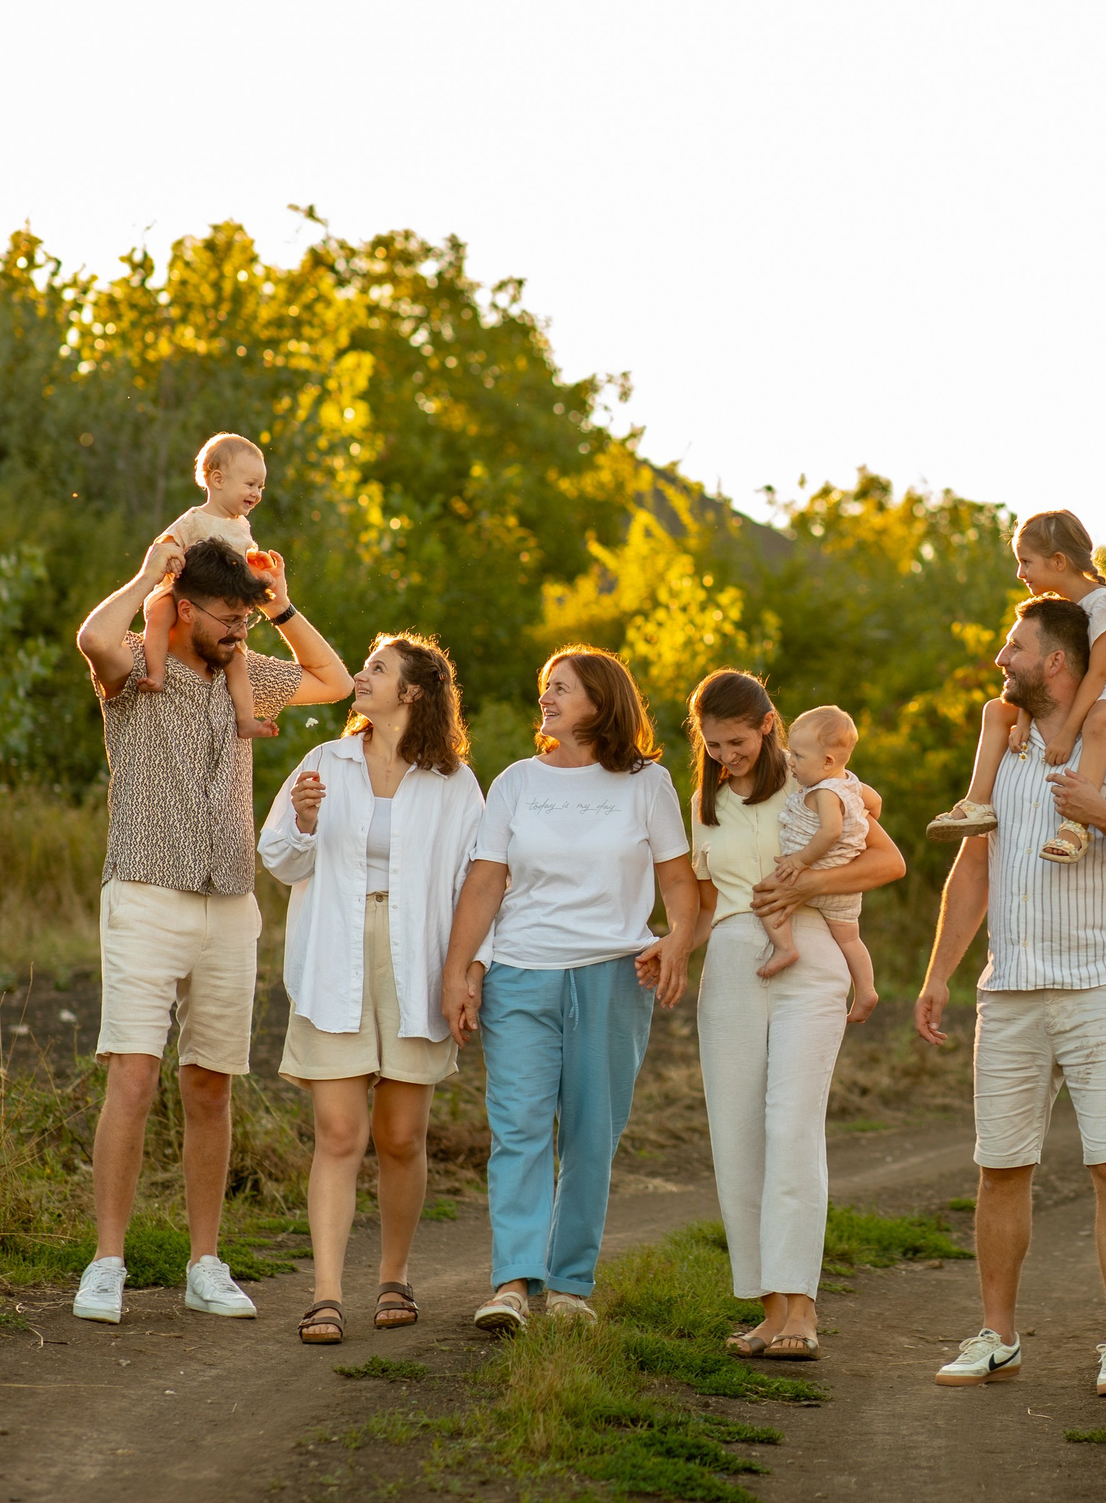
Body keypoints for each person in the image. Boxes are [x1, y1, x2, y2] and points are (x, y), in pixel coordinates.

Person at [71, 537, 355, 1325]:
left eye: (247, 619)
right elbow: (91, 637)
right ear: (185, 605)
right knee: (132, 1076)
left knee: (211, 1083)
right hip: (145, 891)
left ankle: (206, 1262)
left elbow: (334, 683)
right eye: (229, 618)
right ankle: (107, 1262)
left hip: (230, 898)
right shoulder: (137, 659)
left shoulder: (249, 673)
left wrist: (281, 604)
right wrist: (145, 576)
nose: (241, 631)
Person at [913, 596, 1106, 1396]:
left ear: (1057, 662)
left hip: (1104, 984)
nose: (1002, 659)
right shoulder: (1003, 746)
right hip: (1009, 991)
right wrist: (939, 974)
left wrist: (1102, 811)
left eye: (1015, 646)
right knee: (1000, 1166)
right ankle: (998, 1335)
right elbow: (973, 867)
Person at [440, 647, 702, 1334]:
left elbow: (679, 880)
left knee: (591, 1134)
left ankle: (569, 1286)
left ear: (600, 700)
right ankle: (510, 1284)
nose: (547, 697)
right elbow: (486, 883)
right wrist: (459, 969)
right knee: (519, 1129)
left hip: (615, 974)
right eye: (545, 687)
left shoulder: (648, 784)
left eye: (561, 687)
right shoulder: (516, 782)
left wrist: (677, 938)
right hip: (522, 974)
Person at [668, 671, 908, 1361]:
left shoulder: (817, 783)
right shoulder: (705, 803)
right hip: (736, 958)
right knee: (738, 1134)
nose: (725, 755)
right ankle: (770, 1311)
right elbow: (710, 905)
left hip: (811, 955)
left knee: (792, 1124)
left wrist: (809, 880)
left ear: (768, 724)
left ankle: (802, 1306)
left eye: (736, 741)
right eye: (712, 744)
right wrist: (673, 944)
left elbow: (887, 860)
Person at [258, 633, 485, 1345]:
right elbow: (280, 859)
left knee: (399, 1134)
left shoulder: (455, 784)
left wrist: (468, 971)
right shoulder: (324, 763)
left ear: (413, 693)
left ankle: (394, 1272)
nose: (361, 676)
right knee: (338, 1132)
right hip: (335, 955)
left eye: (377, 669)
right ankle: (325, 1292)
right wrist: (303, 819)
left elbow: (477, 886)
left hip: (417, 959)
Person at [928, 510, 1106, 863]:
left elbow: (1098, 675)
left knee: (1099, 722)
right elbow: (1040, 675)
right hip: (1088, 688)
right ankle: (978, 803)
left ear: (1058, 561)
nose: (1020, 573)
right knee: (998, 709)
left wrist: (1065, 735)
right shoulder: (1060, 609)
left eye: (1026, 562)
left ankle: (1075, 827)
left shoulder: (1102, 603)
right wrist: (1025, 721)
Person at [140, 433, 280, 741]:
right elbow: (165, 543)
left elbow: (246, 565)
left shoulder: (242, 528)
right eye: (250, 484)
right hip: (183, 592)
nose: (256, 493)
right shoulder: (194, 519)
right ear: (217, 479)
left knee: (238, 661)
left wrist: (263, 576)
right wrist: (173, 558)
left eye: (260, 487)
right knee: (160, 613)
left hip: (220, 610)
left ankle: (245, 720)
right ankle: (156, 672)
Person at [752, 704, 881, 1022]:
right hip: (843, 888)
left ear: (827, 761)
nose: (791, 762)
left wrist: (800, 860)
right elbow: (875, 802)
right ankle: (865, 990)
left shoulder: (824, 791)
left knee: (763, 895)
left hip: (813, 873)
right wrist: (862, 824)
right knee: (850, 938)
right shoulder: (850, 784)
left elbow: (830, 831)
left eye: (798, 756)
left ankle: (785, 948)